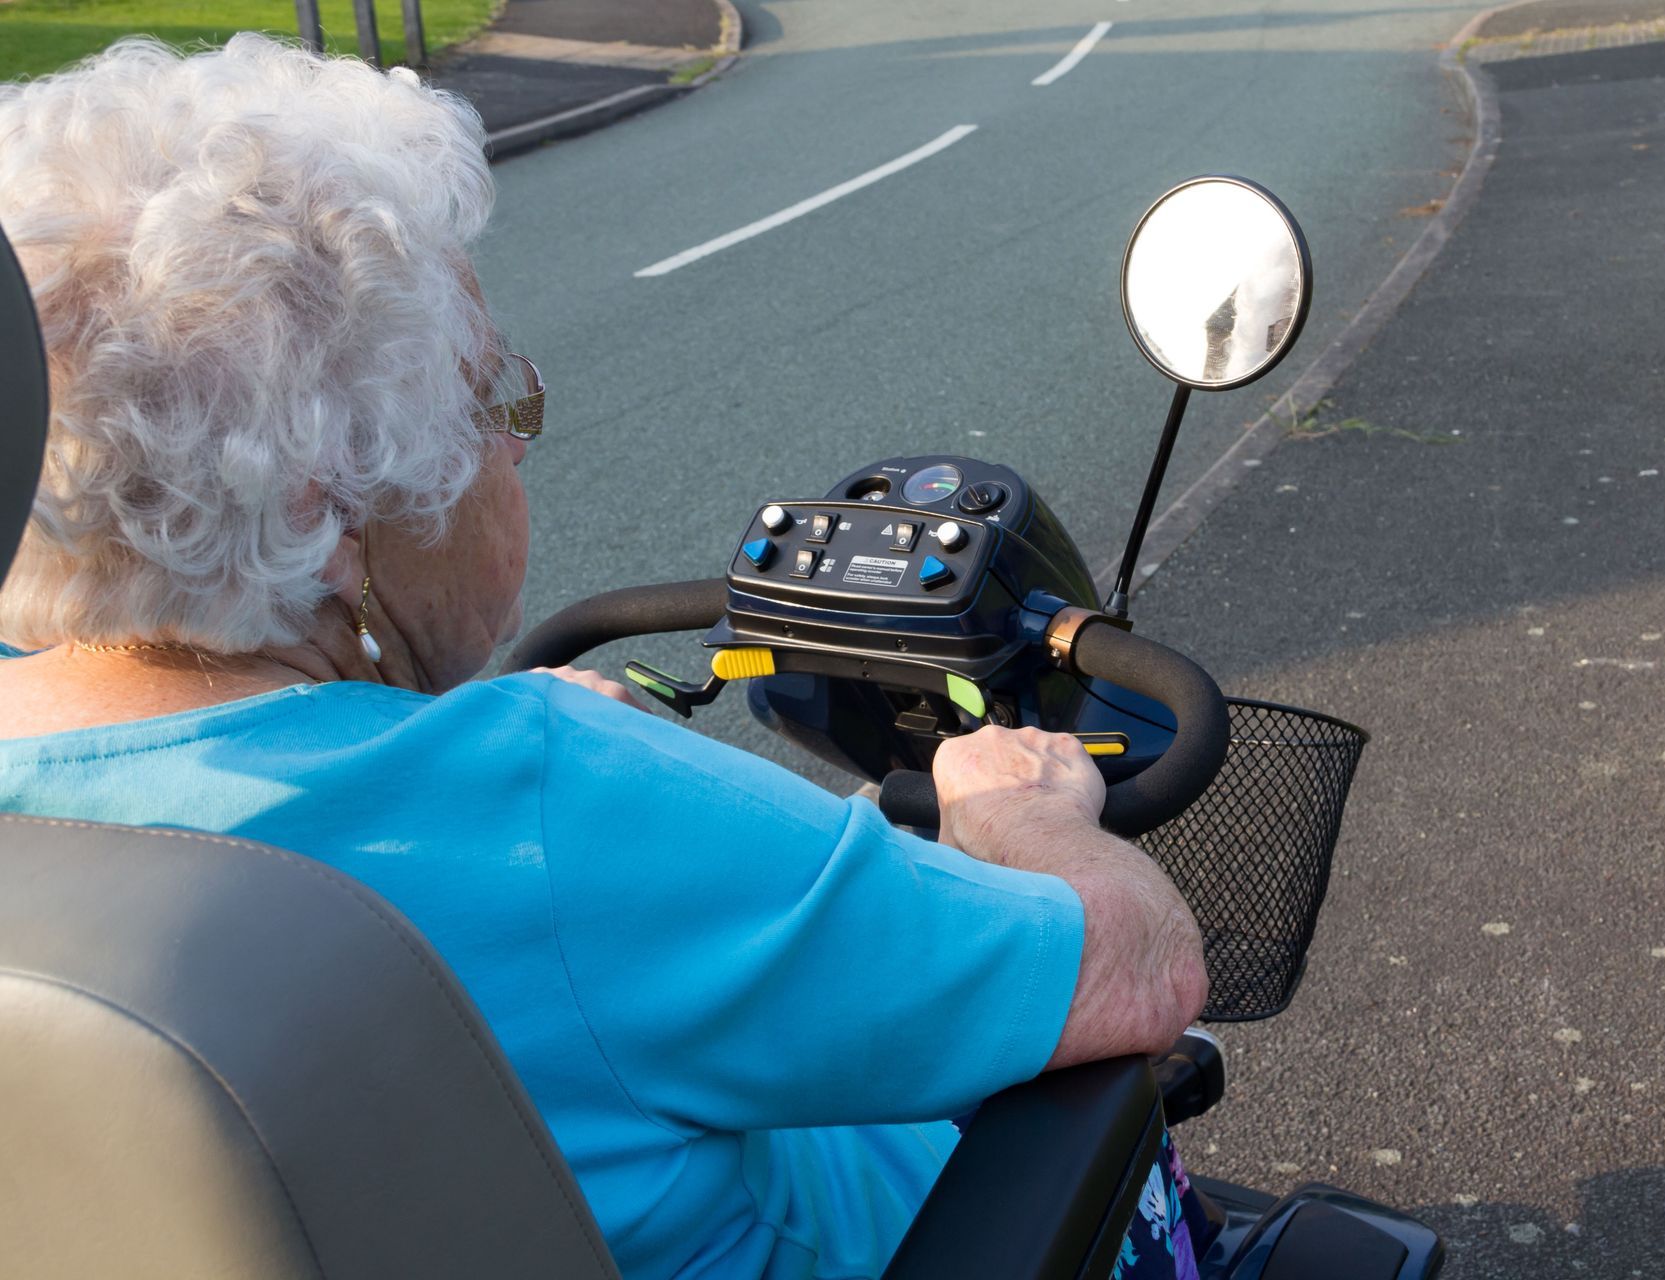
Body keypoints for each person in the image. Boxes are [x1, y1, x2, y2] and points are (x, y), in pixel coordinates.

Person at [0, 37, 1209, 1279]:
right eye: (494, 402)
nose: (516, 447)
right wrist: (1021, 818)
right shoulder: (545, 803)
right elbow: (1139, 970)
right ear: (323, 504)